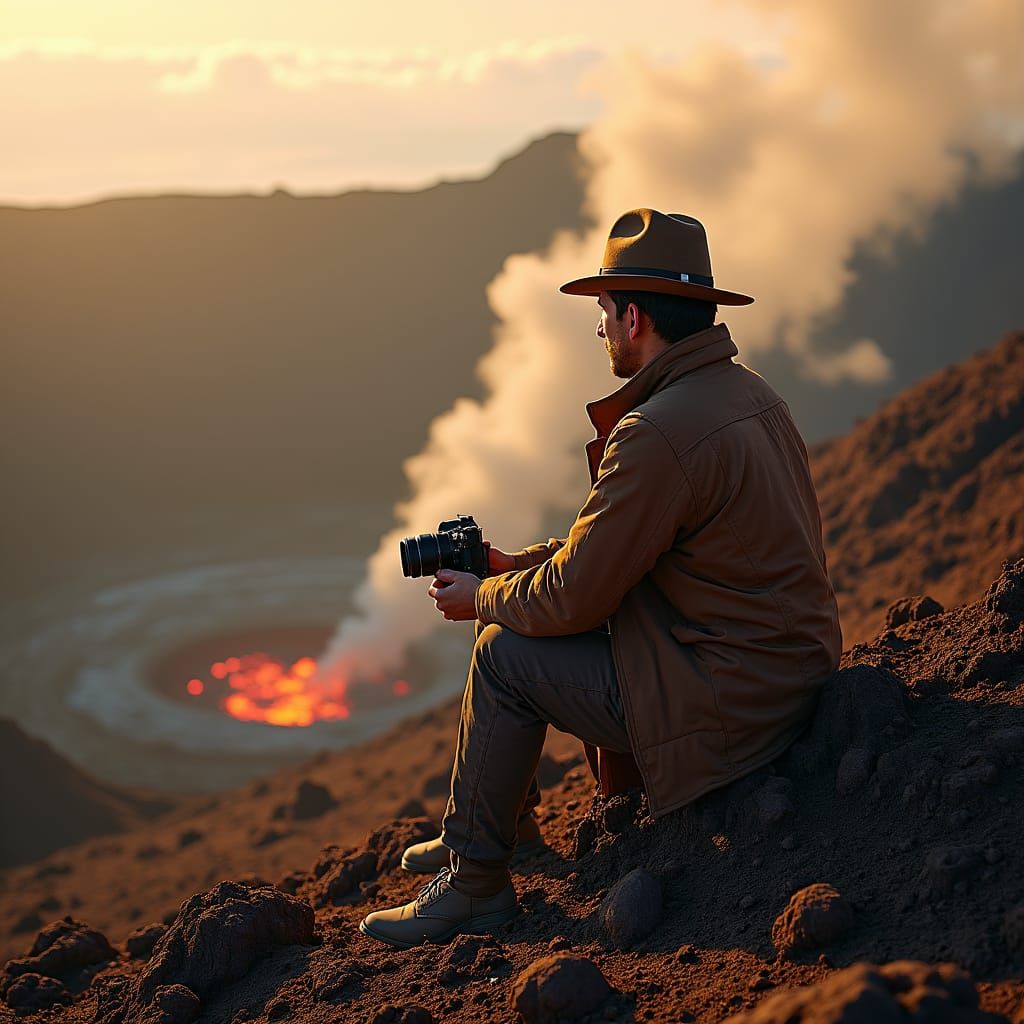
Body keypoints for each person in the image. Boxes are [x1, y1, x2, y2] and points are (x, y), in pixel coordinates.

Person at [359, 208, 842, 949]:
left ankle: (475, 885)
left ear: (636, 316)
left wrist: (482, 596)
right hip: (780, 674)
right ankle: (494, 828)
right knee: (519, 614)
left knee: (502, 652)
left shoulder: (655, 431)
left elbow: (581, 593)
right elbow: (630, 550)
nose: (600, 330)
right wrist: (512, 567)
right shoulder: (750, 395)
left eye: (605, 313)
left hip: (729, 704)